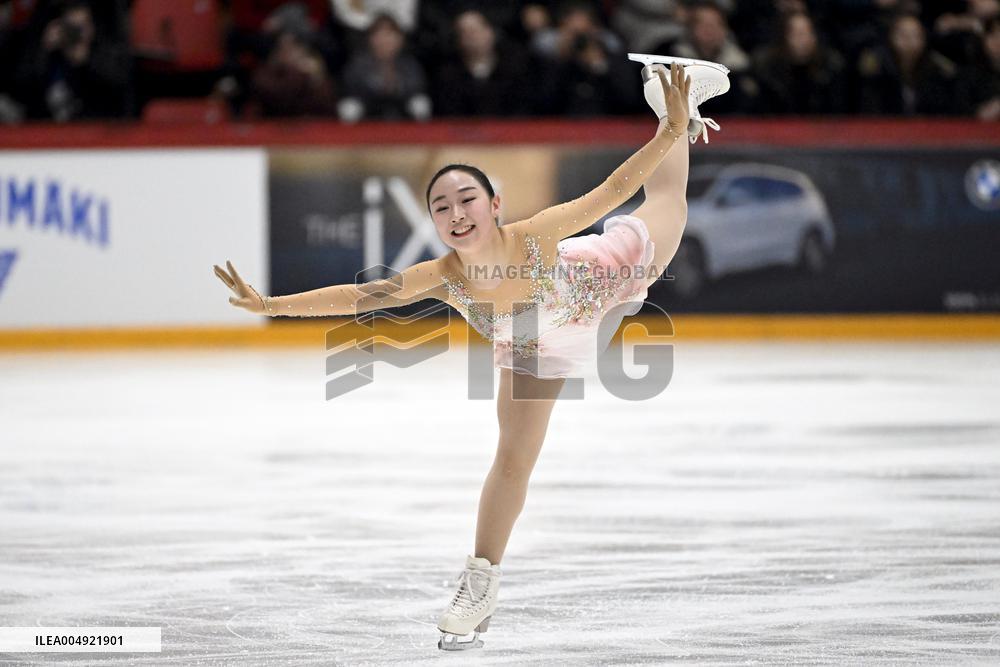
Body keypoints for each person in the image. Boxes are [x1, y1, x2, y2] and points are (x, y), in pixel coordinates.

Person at [214, 58, 730, 650]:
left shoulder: (536, 234)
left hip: (606, 278)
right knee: (513, 459)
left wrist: (665, 138)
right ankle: (480, 580)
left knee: (670, 204)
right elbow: (360, 296)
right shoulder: (441, 275)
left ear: (494, 205)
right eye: (441, 207)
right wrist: (272, 305)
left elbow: (613, 193)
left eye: (467, 201)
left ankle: (676, 105)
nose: (456, 215)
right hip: (534, 345)